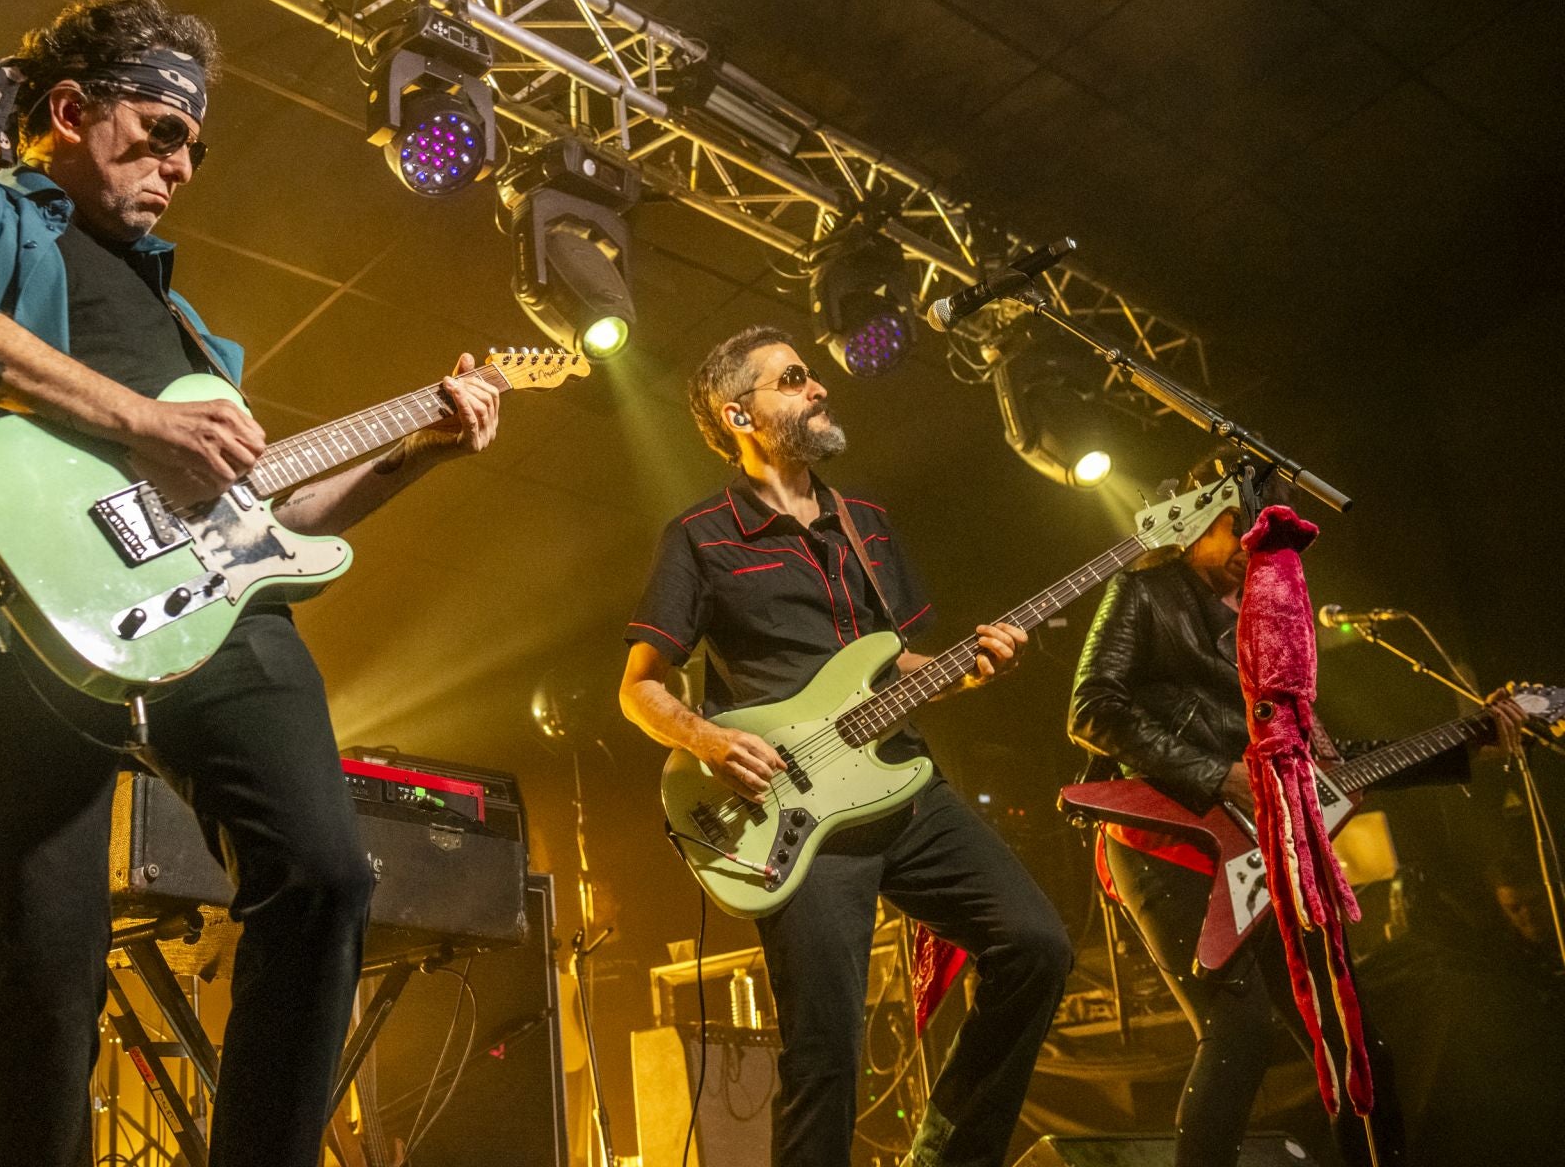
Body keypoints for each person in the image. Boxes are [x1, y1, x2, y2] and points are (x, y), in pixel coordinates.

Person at [0, 0, 502, 1167]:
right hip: (15, 607)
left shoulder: (196, 335)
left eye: (195, 142)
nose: (182, 160)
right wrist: (139, 421)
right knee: (44, 965)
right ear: (67, 111)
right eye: (158, 128)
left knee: (322, 872)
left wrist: (421, 450)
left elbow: (275, 520)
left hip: (203, 616)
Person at [618, 326, 1072, 1167]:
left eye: (812, 374)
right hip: (791, 818)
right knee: (826, 1058)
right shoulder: (699, 536)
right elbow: (640, 686)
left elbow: (897, 658)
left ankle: (948, 1150)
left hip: (901, 785)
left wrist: (972, 668)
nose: (818, 387)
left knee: (1037, 947)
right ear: (739, 413)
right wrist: (711, 741)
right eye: (792, 380)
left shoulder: (866, 520)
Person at [1066, 463, 1529, 1167]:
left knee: (1356, 1043)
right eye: (1242, 530)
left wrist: (1473, 738)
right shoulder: (1145, 592)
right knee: (1240, 1031)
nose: (1257, 549)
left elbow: (1334, 765)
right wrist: (1214, 774)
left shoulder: (1273, 627)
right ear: (1204, 523)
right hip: (1167, 841)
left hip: (1268, 855)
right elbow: (1092, 709)